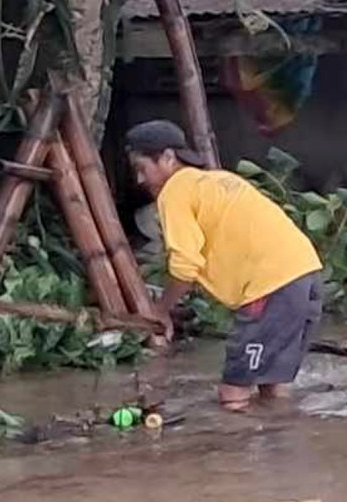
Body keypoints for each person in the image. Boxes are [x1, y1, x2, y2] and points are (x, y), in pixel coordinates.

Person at [123, 120, 327, 412]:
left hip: (270, 285)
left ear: (168, 158)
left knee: (232, 395)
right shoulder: (218, 179)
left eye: (142, 168)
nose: (141, 180)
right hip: (306, 274)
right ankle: (282, 450)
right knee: (272, 384)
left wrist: (161, 312)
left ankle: (236, 451)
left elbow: (184, 267)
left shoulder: (175, 190)